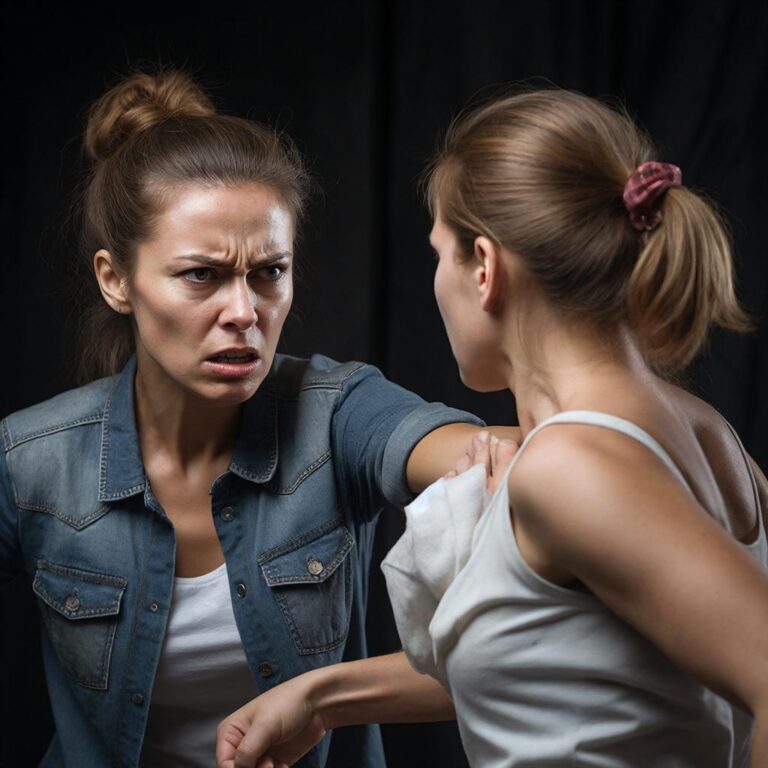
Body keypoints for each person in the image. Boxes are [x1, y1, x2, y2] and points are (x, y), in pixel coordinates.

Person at [216, 89, 768, 768]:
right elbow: (570, 665)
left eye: (439, 254)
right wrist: (321, 696)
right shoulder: (707, 434)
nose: (436, 281)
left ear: (484, 267)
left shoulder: (570, 467)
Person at [0, 69, 516, 768]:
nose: (244, 312)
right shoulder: (30, 460)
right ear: (115, 280)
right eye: (201, 275)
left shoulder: (336, 413)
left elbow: (472, 450)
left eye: (269, 272)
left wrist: (509, 458)